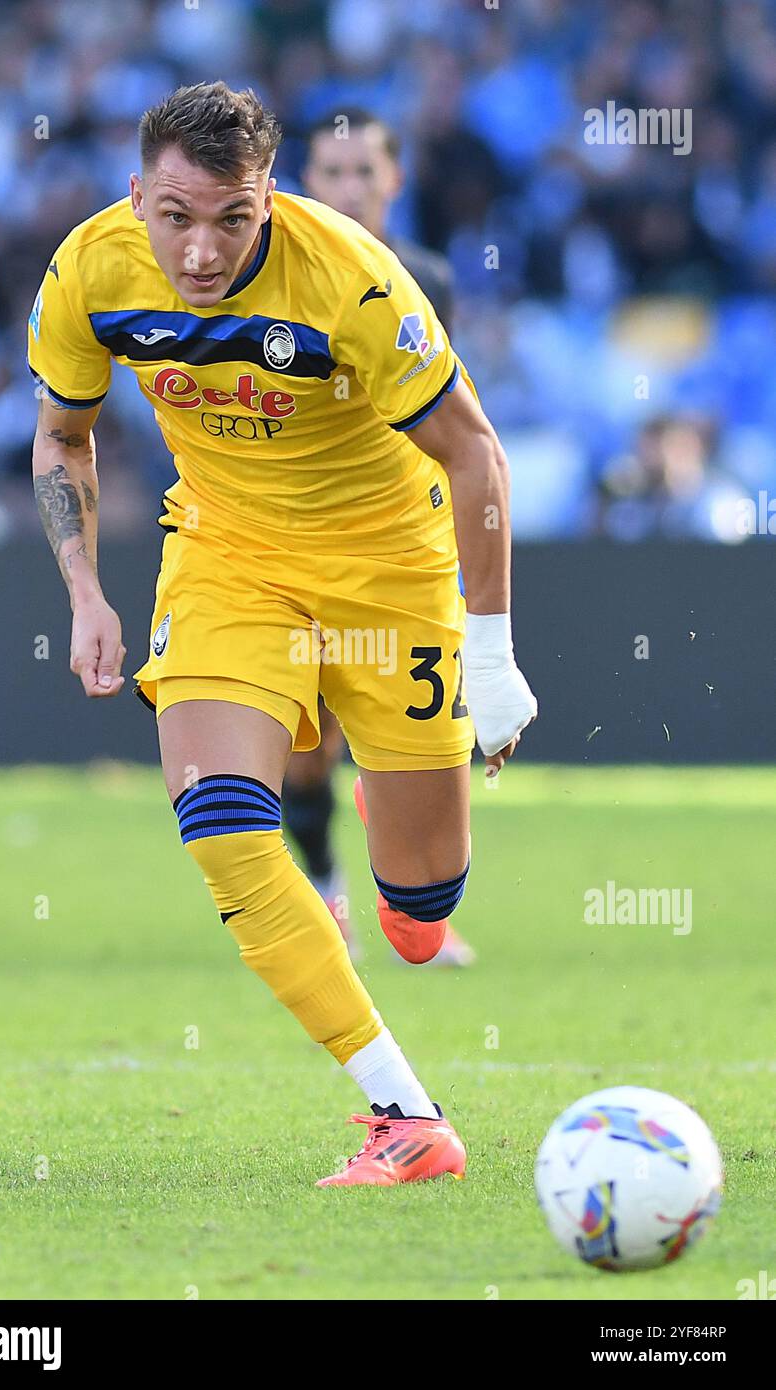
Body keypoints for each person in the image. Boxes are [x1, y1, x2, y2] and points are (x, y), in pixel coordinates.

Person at [28, 82, 536, 1187]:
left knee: (417, 908)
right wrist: (85, 590)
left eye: (231, 218)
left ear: (269, 198)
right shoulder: (88, 270)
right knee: (217, 816)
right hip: (228, 554)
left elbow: (475, 456)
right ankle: (405, 1118)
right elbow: (63, 433)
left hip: (387, 567)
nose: (200, 251)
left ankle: (395, 831)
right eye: (174, 216)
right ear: (136, 194)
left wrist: (489, 657)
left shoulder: (349, 275)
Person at [288, 106, 475, 967]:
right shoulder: (279, 281)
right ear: (305, 182)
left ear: (395, 181)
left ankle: (412, 896)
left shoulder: (426, 279)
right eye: (333, 172)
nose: (350, 188)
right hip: (296, 538)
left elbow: (441, 419)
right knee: (309, 744)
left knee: (421, 740)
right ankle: (327, 895)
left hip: (400, 543)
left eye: (366, 171)